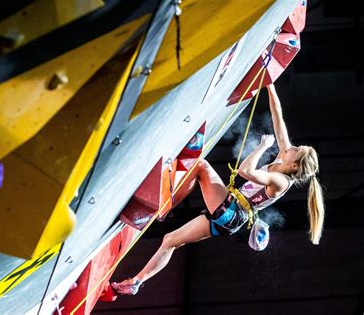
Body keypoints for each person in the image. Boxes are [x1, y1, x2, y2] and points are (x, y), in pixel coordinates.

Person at [111, 84, 325, 295]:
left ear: (294, 165)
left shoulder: (280, 181)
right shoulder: (285, 158)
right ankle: (136, 282)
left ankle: (165, 208)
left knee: (201, 166)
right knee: (170, 240)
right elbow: (278, 116)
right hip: (231, 217)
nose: (291, 147)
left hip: (233, 212)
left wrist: (262, 147)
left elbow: (245, 170)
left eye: (295, 150)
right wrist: (270, 87)